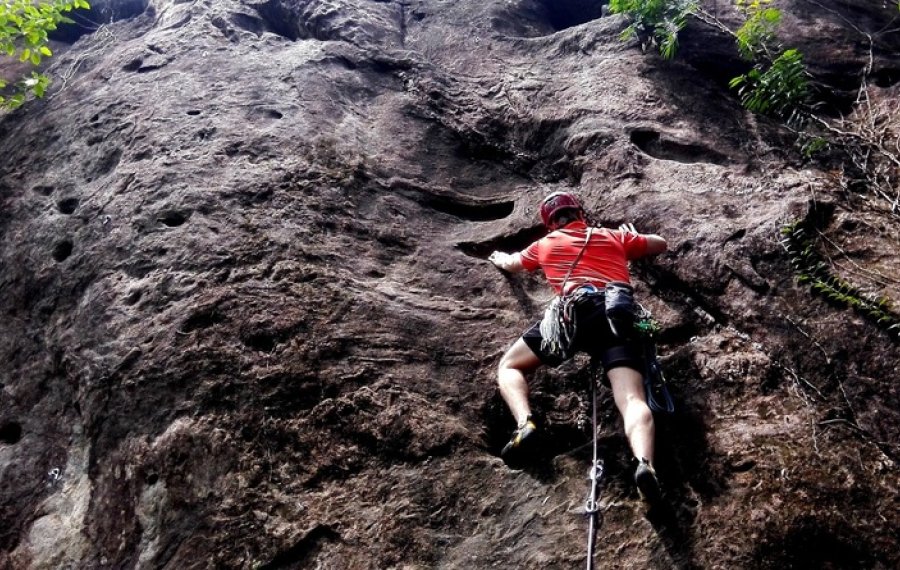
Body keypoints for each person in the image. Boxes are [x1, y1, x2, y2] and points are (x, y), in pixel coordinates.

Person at [488, 191, 668, 501]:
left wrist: (498, 257)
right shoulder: (611, 236)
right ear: (579, 214)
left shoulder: (544, 244)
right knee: (631, 397)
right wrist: (632, 236)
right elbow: (660, 243)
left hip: (572, 317)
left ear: (550, 224)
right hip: (617, 316)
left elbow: (512, 264)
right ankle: (644, 463)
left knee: (510, 366)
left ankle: (525, 423)